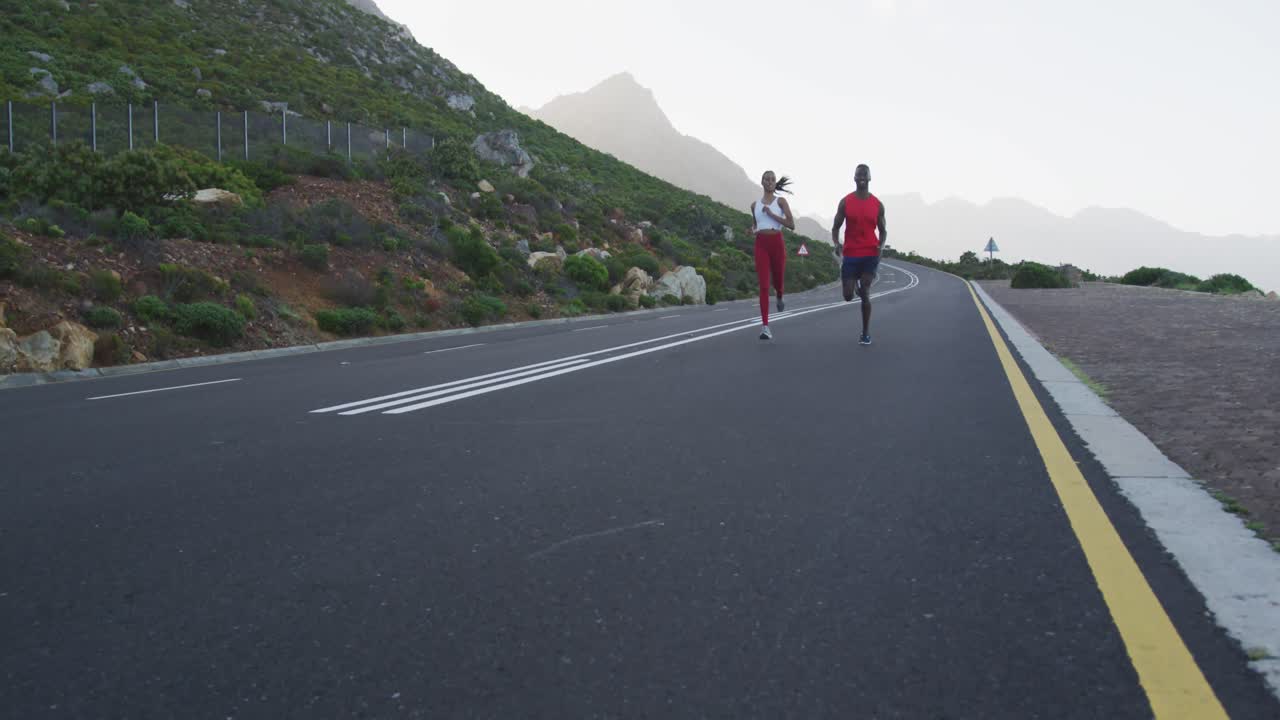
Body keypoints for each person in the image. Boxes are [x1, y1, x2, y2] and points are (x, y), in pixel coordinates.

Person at [831, 164, 886, 345]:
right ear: (854, 178)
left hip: (870, 253)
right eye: (858, 174)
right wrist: (836, 243)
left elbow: (883, 231)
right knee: (848, 296)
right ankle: (854, 286)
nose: (861, 177)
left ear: (869, 178)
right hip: (851, 254)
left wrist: (881, 247)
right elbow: (836, 227)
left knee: (866, 291)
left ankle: (865, 333)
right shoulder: (845, 202)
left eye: (865, 174)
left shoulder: (877, 205)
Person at [749, 171, 795, 340]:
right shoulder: (754, 206)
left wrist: (772, 214)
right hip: (761, 244)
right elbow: (756, 225)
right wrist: (751, 230)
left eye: (772, 180)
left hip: (777, 243)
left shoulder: (780, 202)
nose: (769, 182)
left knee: (778, 282)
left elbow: (791, 224)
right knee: (763, 285)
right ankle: (765, 327)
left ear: (775, 184)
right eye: (766, 179)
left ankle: (780, 296)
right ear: (762, 182)